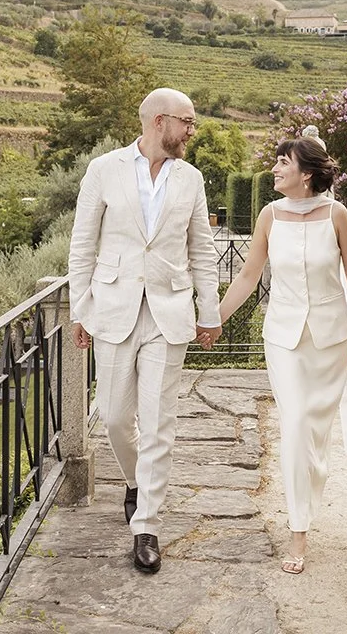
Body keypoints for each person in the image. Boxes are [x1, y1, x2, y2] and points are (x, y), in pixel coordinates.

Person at [67, 88, 223, 573]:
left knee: (158, 423)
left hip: (169, 312)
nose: (192, 131)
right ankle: (137, 481)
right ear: (159, 122)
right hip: (113, 308)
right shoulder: (103, 169)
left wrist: (209, 310)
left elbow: (202, 249)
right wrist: (80, 309)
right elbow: (82, 244)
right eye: (187, 122)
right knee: (114, 418)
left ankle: (147, 526)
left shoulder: (191, 179)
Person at [211, 127, 347, 574]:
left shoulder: (337, 215)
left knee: (314, 433)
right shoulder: (269, 216)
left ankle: (310, 486)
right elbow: (248, 276)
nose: (275, 168)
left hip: (331, 339)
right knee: (296, 424)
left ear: (306, 173)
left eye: (284, 161)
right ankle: (298, 532)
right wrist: (216, 318)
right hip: (282, 337)